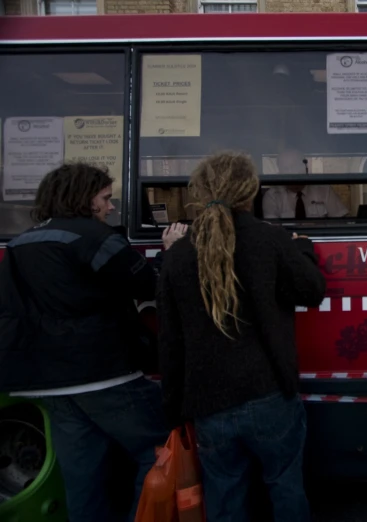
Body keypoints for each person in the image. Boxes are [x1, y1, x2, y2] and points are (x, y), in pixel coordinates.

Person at [0, 163, 184, 522]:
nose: (111, 207)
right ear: (83, 198)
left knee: (83, 478)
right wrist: (170, 251)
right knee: (163, 451)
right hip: (102, 374)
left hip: (46, 384)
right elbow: (150, 285)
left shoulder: (20, 243)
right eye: (104, 198)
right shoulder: (95, 238)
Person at [157, 151, 326, 522]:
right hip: (269, 395)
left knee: (224, 495)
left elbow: (170, 344)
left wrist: (173, 412)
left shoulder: (178, 255)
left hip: (208, 405)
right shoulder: (272, 240)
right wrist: (303, 250)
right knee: (285, 487)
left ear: (199, 192)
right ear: (252, 192)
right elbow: (311, 291)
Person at [262, 148, 349, 219]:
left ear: (304, 168)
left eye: (294, 166)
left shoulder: (324, 190)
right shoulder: (272, 196)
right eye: (285, 168)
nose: (291, 172)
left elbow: (339, 221)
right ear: (279, 172)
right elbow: (272, 231)